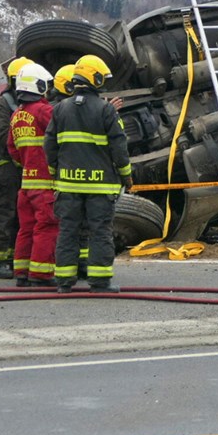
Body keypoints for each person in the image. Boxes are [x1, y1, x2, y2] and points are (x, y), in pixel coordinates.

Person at [45, 54, 132, 293]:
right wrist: (127, 177)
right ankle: (100, 281)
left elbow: (49, 145)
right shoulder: (106, 110)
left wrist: (56, 172)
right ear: (94, 78)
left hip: (68, 187)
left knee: (68, 231)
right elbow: (119, 147)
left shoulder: (60, 109)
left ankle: (64, 282)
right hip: (99, 187)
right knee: (100, 231)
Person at [7, 63, 60, 287]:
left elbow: (12, 149)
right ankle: (41, 274)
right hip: (45, 183)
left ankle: (21, 271)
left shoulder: (16, 116)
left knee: (26, 228)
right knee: (46, 227)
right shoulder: (44, 111)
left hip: (26, 184)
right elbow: (61, 137)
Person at [0, 56, 32, 278]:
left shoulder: (25, 105)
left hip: (20, 169)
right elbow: (3, 138)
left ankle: (12, 259)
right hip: (4, 170)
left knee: (19, 217)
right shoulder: (1, 106)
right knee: (3, 215)